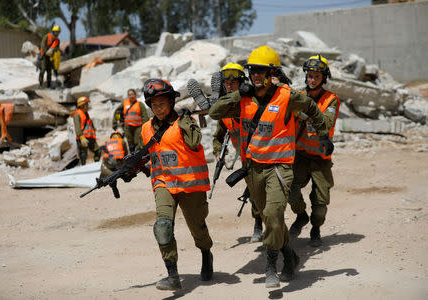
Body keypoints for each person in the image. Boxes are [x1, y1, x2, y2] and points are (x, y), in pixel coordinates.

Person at [209, 45, 334, 288]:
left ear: (271, 73)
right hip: (254, 169)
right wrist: (236, 94)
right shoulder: (243, 97)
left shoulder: (287, 96)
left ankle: (270, 267)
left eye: (261, 71)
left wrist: (323, 133)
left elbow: (310, 107)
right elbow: (215, 112)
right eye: (253, 71)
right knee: (270, 220)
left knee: (274, 214)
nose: (256, 75)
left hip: (280, 167)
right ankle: (290, 256)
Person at [139, 79, 213, 290]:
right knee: (163, 226)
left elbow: (194, 142)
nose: (158, 108)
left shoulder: (184, 121)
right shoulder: (145, 129)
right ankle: (172, 275)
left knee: (197, 229)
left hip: (190, 184)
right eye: (153, 105)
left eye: (162, 103)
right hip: (163, 184)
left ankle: (206, 253)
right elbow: (145, 154)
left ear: (171, 102)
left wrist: (187, 121)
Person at [288, 55, 340, 247]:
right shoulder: (298, 95)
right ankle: (301, 216)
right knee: (288, 187)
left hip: (320, 158)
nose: (312, 79)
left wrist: (303, 112)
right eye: (309, 75)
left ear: (323, 78)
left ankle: (315, 228)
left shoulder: (332, 100)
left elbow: (325, 123)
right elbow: (288, 110)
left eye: (316, 76)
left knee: (320, 203)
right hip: (300, 155)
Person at [211, 63, 263, 243]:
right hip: (246, 160)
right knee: (255, 194)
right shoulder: (224, 110)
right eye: (226, 83)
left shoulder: (252, 102)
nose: (229, 86)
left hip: (265, 155)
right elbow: (218, 136)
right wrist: (218, 153)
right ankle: (258, 224)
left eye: (233, 82)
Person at [73, 96, 101, 165]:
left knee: (98, 151)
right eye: (86, 104)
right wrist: (81, 137)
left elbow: (89, 123)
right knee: (83, 154)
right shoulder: (77, 114)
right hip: (82, 138)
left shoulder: (86, 114)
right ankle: (83, 167)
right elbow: (77, 127)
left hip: (90, 137)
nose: (88, 106)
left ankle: (96, 164)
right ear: (82, 105)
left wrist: (93, 129)